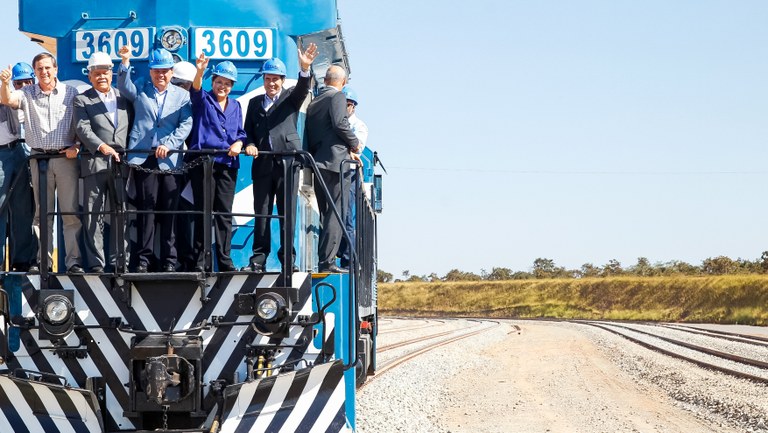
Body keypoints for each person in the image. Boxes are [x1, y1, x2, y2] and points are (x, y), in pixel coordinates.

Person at [0, 53, 83, 274]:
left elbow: (81, 124)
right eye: (39, 69)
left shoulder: (71, 93)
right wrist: (5, 83)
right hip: (38, 159)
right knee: (41, 214)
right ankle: (43, 262)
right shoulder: (27, 93)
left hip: (64, 159)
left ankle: (73, 262)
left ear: (56, 69)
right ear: (35, 73)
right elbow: (8, 100)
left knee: (70, 213)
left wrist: (76, 146)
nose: (44, 72)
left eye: (47, 68)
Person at [242, 43, 318, 273]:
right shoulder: (255, 104)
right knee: (262, 213)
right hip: (263, 164)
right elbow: (248, 133)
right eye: (268, 79)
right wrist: (251, 145)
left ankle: (287, 260)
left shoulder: (290, 99)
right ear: (263, 80)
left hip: (287, 164)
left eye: (276, 79)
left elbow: (303, 88)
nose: (271, 83)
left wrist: (304, 68)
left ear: (282, 80)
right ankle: (258, 260)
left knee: (288, 214)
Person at [117, 46, 192, 272]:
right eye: (156, 70)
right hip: (144, 158)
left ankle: (170, 261)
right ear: (150, 72)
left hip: (169, 160)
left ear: (171, 72)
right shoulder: (140, 86)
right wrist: (125, 61)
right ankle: (143, 260)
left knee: (169, 211)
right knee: (145, 212)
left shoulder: (183, 95)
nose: (161, 74)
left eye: (165, 70)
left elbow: (185, 124)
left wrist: (169, 145)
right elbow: (123, 86)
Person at [73, 51, 133, 273]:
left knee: (122, 213)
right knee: (93, 215)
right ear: (90, 76)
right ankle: (97, 264)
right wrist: (101, 146)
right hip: (95, 162)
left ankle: (121, 262)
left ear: (111, 73)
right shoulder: (81, 99)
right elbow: (82, 128)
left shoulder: (124, 99)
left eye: (105, 72)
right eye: (96, 73)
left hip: (121, 164)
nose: (101, 77)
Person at [187, 54, 246, 272]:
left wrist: (239, 142)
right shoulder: (203, 100)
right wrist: (199, 71)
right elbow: (195, 90)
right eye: (219, 81)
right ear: (212, 82)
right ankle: (201, 261)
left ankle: (224, 258)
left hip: (228, 165)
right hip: (203, 163)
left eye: (227, 83)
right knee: (203, 211)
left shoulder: (237, 106)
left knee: (224, 213)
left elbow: (240, 132)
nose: (222, 86)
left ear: (232, 86)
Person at [306, 65, 360, 273]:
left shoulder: (315, 102)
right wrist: (354, 144)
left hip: (319, 163)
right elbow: (339, 124)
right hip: (336, 164)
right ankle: (327, 261)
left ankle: (324, 258)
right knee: (336, 213)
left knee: (325, 212)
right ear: (343, 82)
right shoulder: (337, 98)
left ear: (326, 80)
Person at [0, 62, 37, 272]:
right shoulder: (7, 96)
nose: (23, 85)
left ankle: (21, 259)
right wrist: (4, 84)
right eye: (18, 82)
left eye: (27, 81)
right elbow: (4, 97)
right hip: (2, 153)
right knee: (1, 206)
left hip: (25, 153)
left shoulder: (35, 99)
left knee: (24, 209)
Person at [337, 86, 369, 269]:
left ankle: (348, 260)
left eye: (348, 105)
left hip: (348, 174)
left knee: (348, 216)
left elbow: (357, 148)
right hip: (335, 171)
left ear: (353, 107)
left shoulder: (360, 127)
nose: (345, 108)